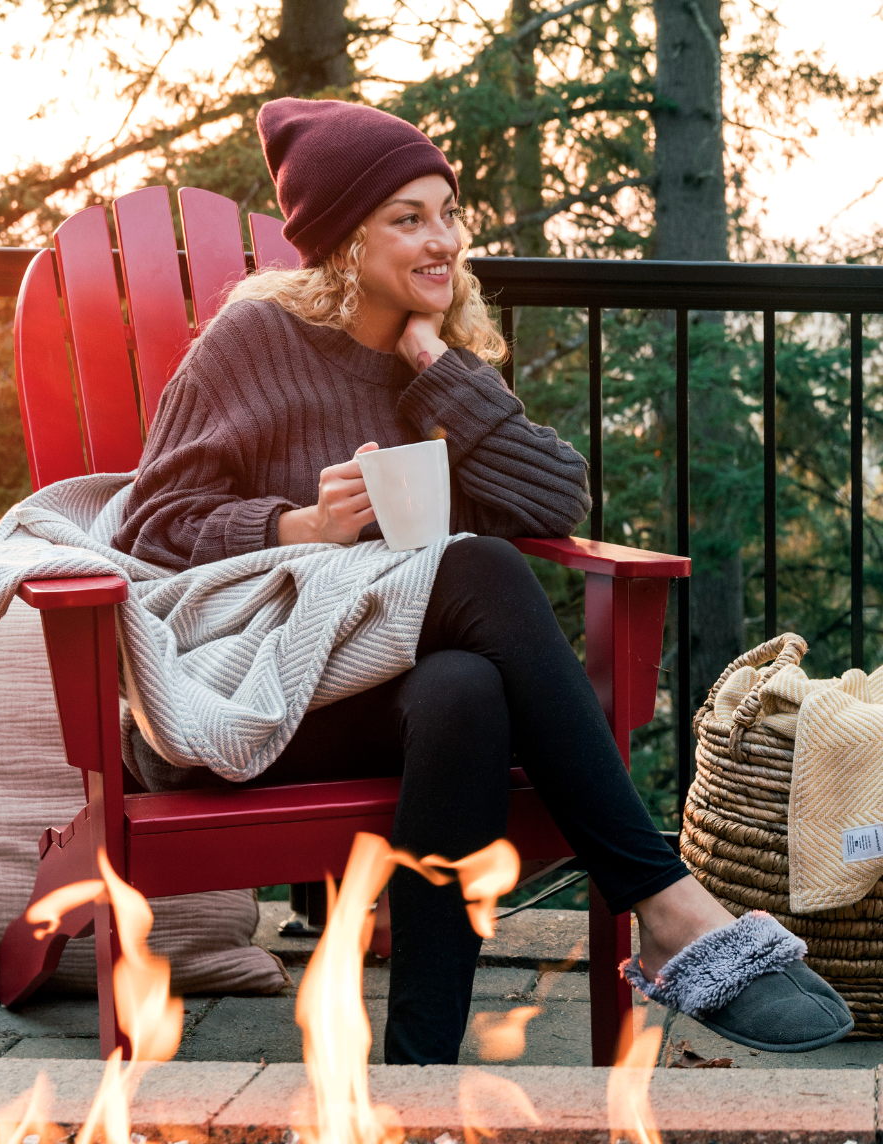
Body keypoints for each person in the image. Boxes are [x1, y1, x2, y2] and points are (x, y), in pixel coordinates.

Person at [113, 98, 852, 1061]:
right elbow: (148, 529)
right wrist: (301, 525)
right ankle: (666, 904)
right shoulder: (249, 348)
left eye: (449, 214)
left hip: (394, 700)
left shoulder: (442, 362)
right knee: (480, 567)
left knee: (465, 688)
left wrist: (436, 365)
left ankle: (418, 1069)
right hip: (254, 702)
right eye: (408, 218)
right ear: (342, 238)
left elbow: (556, 500)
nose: (444, 240)